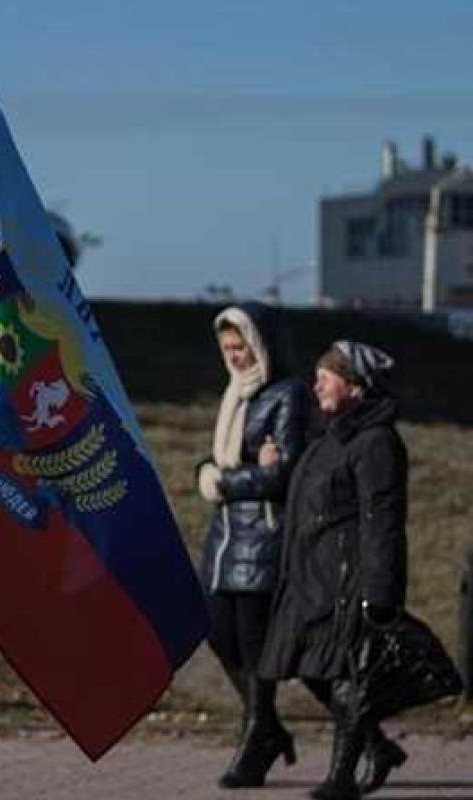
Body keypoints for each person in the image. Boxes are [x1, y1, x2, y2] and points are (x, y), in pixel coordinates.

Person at [259, 341, 407, 800]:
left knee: (345, 677)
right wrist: (274, 468)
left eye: (329, 375)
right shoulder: (330, 438)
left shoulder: (377, 443)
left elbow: (382, 518)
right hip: (310, 580)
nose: (317, 383)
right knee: (310, 668)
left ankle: (341, 778)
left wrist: (379, 592)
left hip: (348, 582)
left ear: (357, 386)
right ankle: (379, 747)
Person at [196, 303, 311, 788]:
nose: (236, 357)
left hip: (262, 537)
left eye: (242, 346)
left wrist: (223, 481)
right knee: (215, 631)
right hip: (225, 537)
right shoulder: (234, 396)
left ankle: (259, 734)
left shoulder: (287, 395)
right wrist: (213, 473)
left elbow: (282, 473)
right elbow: (227, 464)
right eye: (228, 348)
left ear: (262, 344)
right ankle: (266, 726)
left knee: (254, 643)